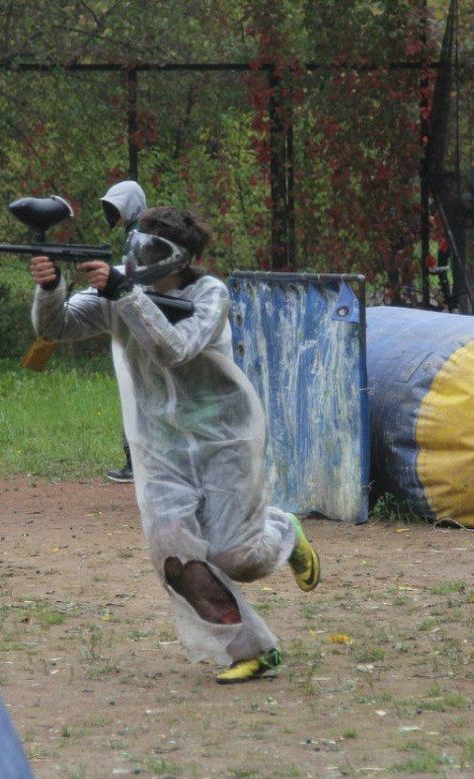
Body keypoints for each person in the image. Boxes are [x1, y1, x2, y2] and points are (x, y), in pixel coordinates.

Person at [29, 206, 320, 684]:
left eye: (153, 251)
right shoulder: (121, 291)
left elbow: (174, 348)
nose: (139, 260)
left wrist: (122, 294)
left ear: (182, 258)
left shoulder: (209, 294)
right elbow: (53, 328)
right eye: (136, 248)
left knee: (237, 557)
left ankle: (282, 531)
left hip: (226, 437)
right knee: (174, 557)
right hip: (162, 446)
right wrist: (49, 288)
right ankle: (251, 648)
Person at [99, 179, 146, 484]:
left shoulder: (141, 236)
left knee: (135, 394)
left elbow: (138, 277)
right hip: (136, 320)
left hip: (140, 321)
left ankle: (137, 461)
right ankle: (136, 459)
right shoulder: (136, 234)